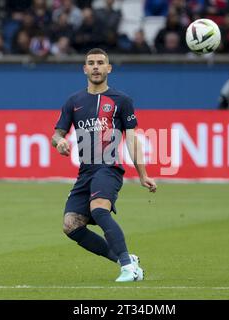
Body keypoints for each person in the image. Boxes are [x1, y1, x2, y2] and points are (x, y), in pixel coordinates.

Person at [51, 48, 157, 282]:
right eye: (91, 63)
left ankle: (129, 269)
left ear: (109, 68)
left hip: (109, 167)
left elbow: (131, 138)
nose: (96, 66)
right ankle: (125, 259)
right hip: (85, 171)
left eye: (101, 62)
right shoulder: (73, 101)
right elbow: (57, 133)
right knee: (71, 226)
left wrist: (143, 174)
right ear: (85, 69)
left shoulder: (122, 100)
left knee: (99, 209)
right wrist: (59, 142)